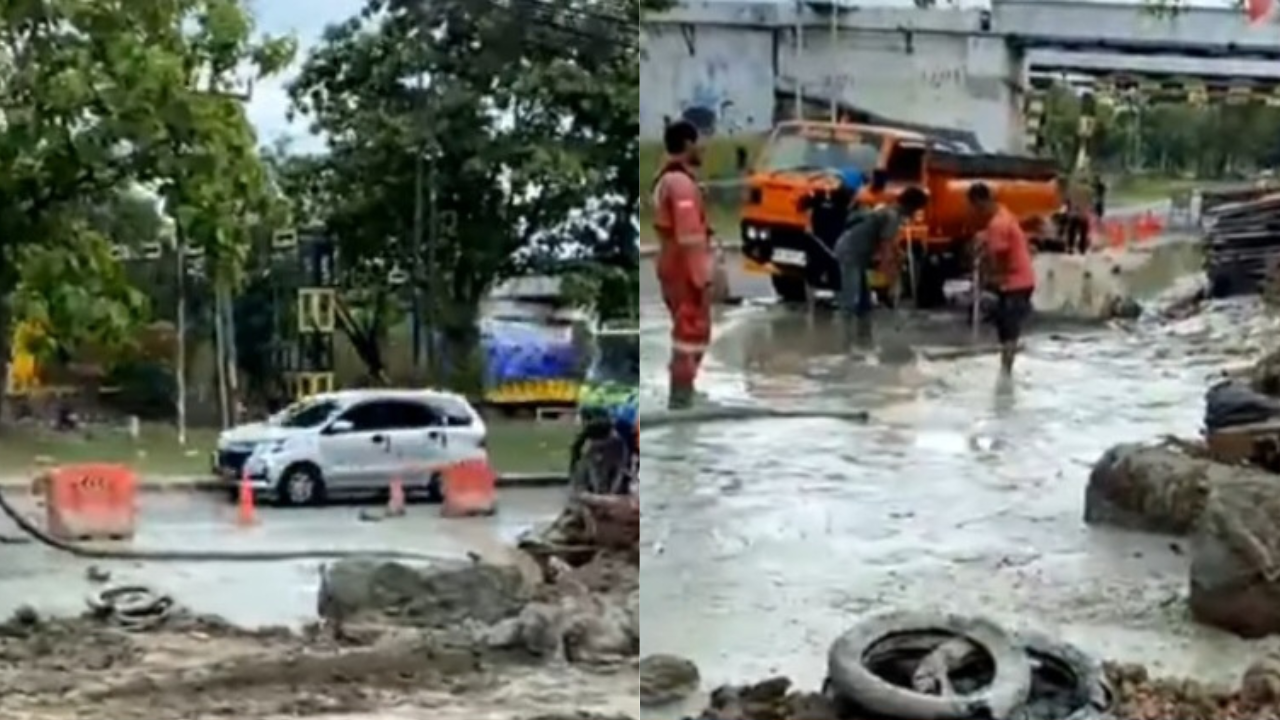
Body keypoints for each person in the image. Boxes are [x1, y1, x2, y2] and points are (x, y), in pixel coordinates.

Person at [652, 120, 713, 410]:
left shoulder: (672, 179)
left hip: (674, 262)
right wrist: (701, 278)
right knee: (690, 331)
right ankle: (681, 396)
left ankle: (684, 388)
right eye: (700, 142)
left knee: (689, 330)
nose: (704, 148)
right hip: (683, 266)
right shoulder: (680, 184)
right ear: (688, 144)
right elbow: (688, 235)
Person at [833, 186, 929, 348]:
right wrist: (888, 276)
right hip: (850, 253)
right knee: (851, 298)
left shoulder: (887, 210)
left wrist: (897, 256)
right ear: (912, 207)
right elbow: (885, 248)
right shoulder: (892, 217)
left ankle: (863, 340)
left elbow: (888, 243)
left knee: (864, 301)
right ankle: (845, 343)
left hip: (856, 251)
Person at [967, 182, 1036, 376]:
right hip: (1024, 279)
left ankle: (1006, 374)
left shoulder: (997, 224)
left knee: (1008, 330)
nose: (974, 212)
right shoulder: (1004, 214)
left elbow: (999, 256)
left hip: (1014, 282)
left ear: (979, 202)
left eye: (974, 207)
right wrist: (985, 238)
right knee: (1007, 328)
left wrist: (991, 277)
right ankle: (1006, 371)